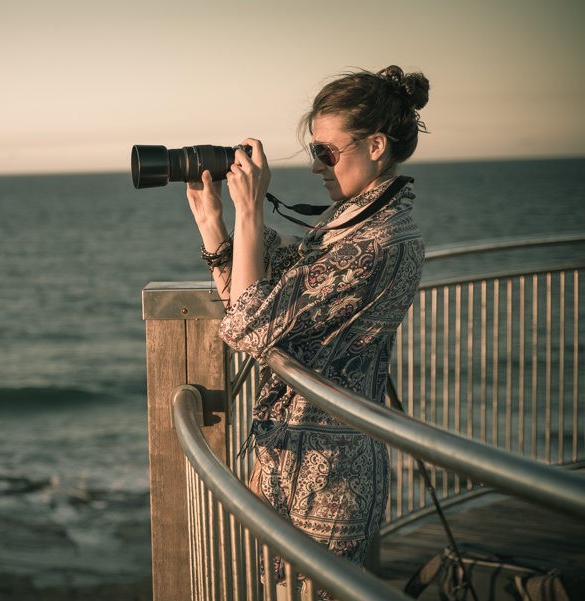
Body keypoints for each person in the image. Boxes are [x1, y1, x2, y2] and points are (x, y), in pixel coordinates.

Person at [186, 65, 429, 594]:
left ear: (376, 147)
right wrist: (216, 226)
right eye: (314, 150)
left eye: (328, 152)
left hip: (330, 476)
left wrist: (250, 211)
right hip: (286, 453)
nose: (317, 165)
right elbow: (257, 306)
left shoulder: (378, 241)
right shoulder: (352, 223)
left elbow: (247, 327)